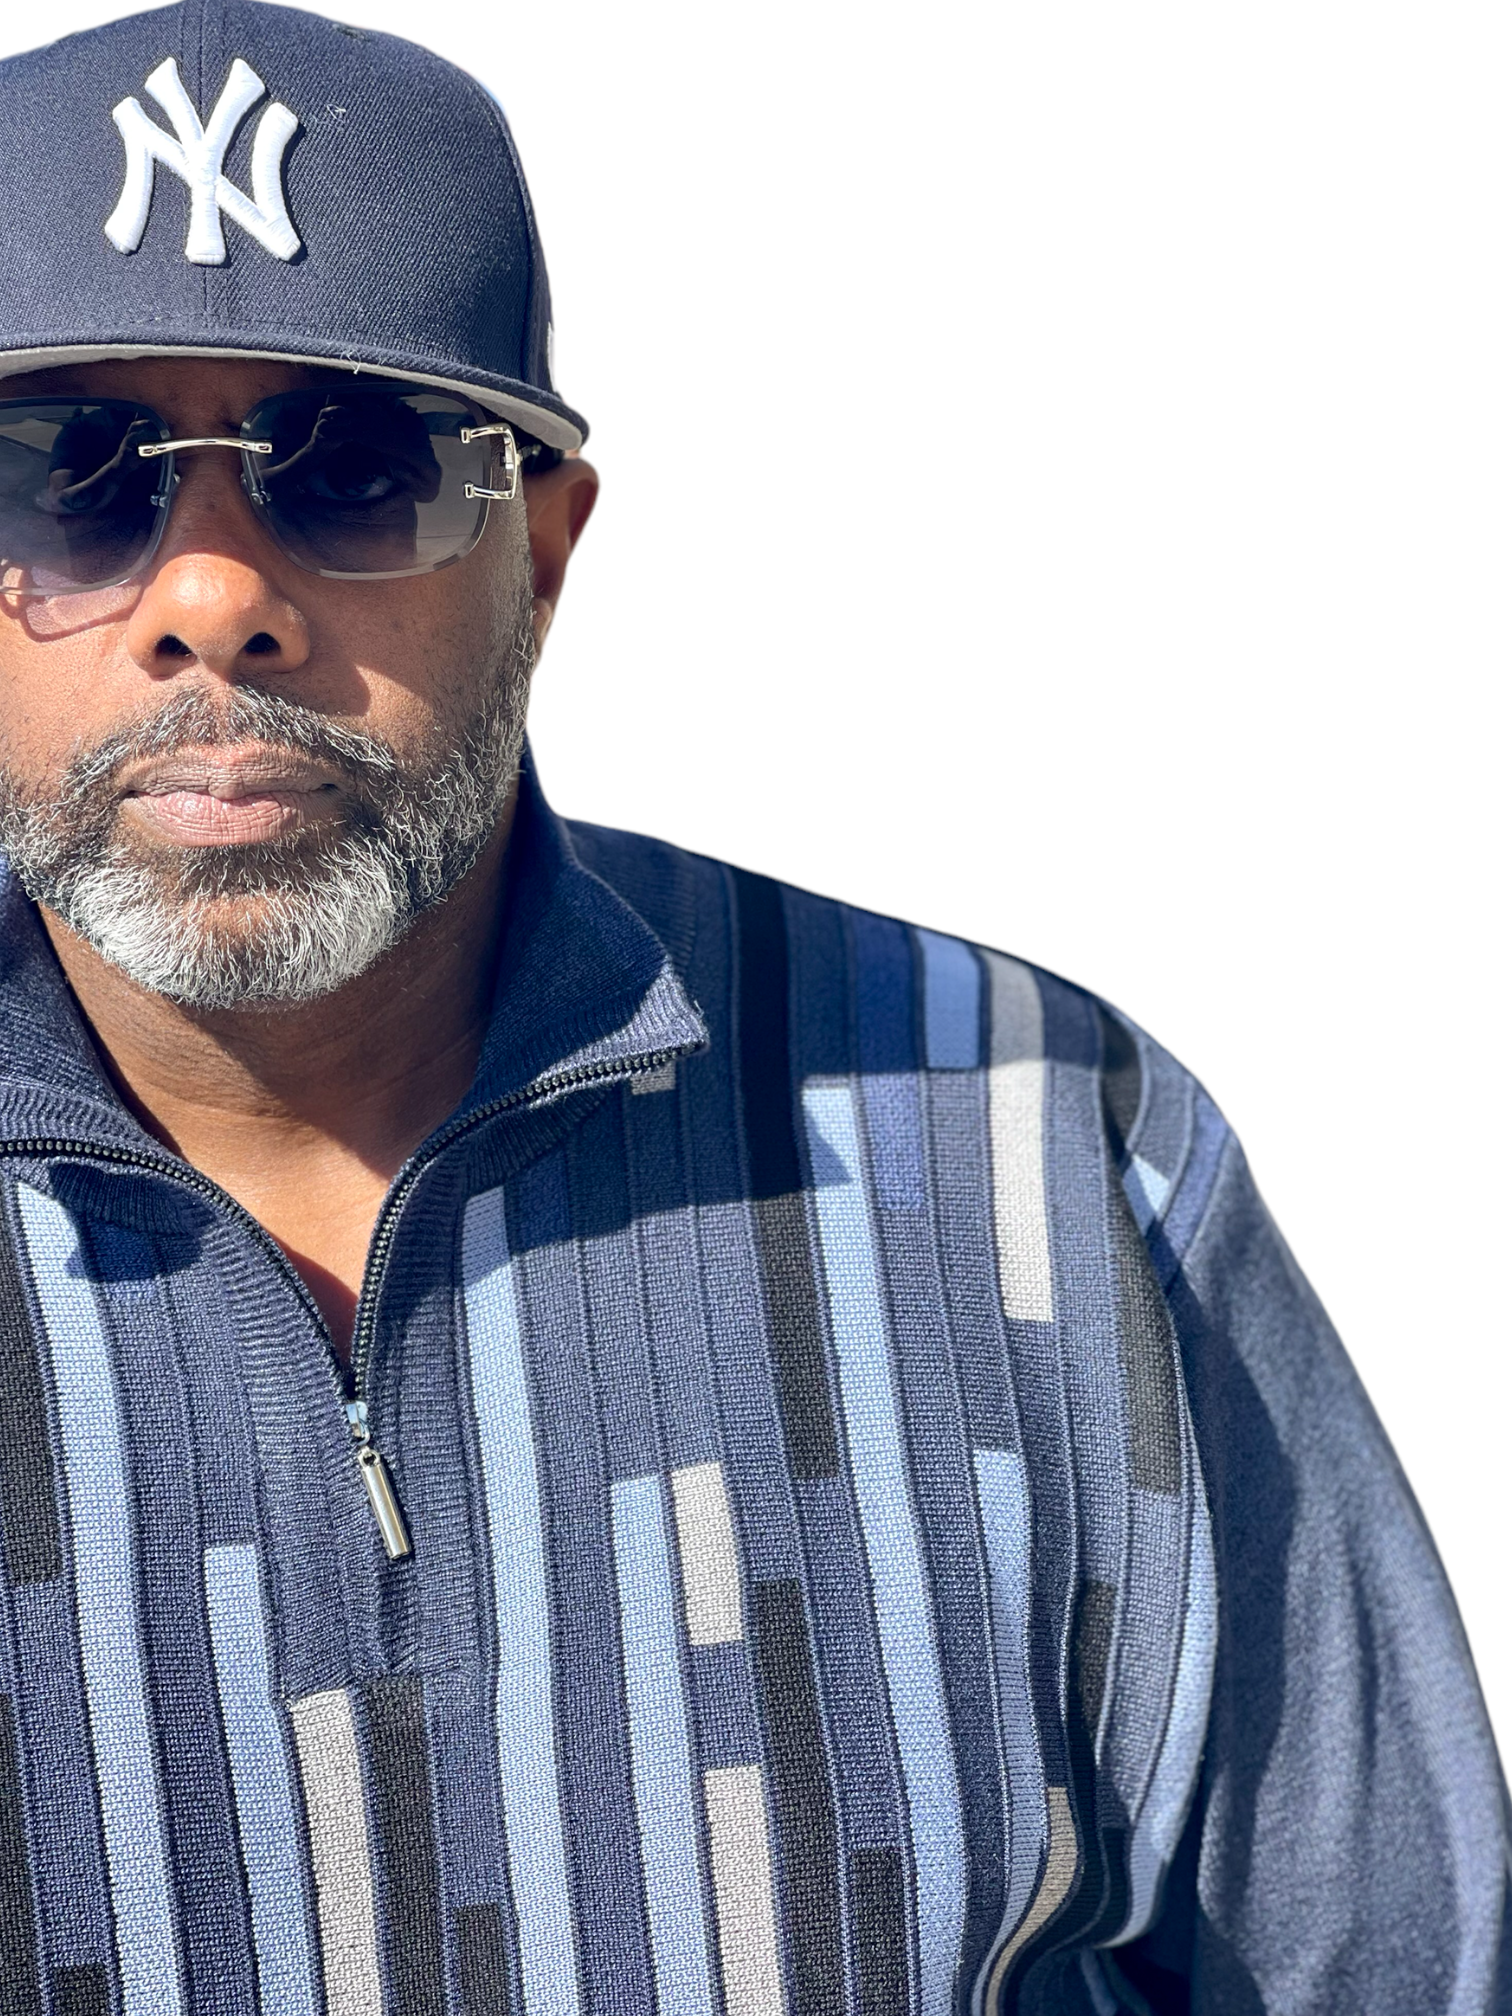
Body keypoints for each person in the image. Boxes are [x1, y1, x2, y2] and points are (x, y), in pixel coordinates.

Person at [0, 3, 1503, 2011]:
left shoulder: (1035, 1151)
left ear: (543, 556)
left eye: (354, 468)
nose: (212, 597)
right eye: (69, 473)